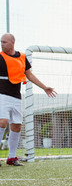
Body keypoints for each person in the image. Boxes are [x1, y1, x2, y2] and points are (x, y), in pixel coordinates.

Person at [0, 33, 57, 167]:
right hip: (1, 95)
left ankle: (11, 157)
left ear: (12, 43)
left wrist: (44, 87)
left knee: (17, 126)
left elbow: (29, 74)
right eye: (1, 42)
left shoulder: (22, 57)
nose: (2, 44)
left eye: (4, 42)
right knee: (2, 122)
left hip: (16, 97)